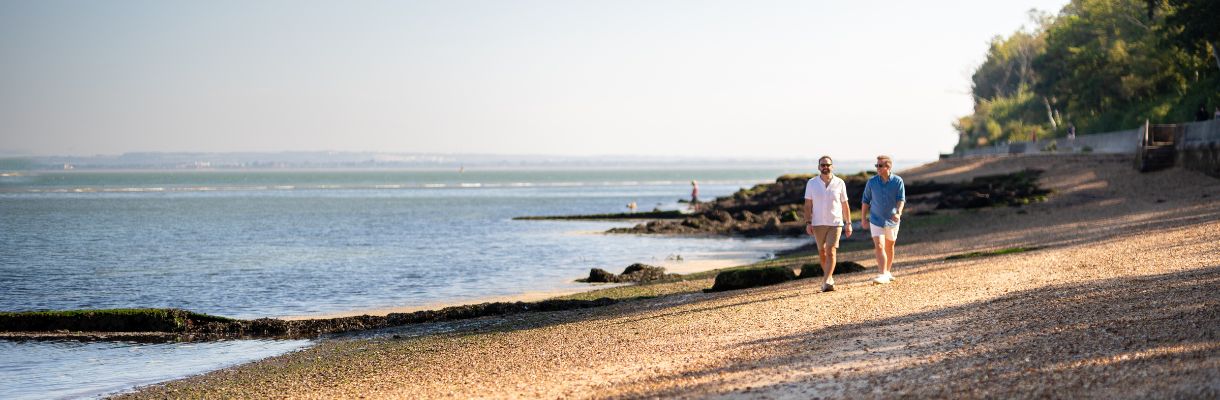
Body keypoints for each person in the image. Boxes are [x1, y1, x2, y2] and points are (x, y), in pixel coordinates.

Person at [803, 156, 852, 292]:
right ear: (819, 167)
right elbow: (808, 205)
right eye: (823, 165)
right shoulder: (812, 183)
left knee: (831, 250)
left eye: (828, 165)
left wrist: (848, 223)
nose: (825, 167)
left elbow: (845, 204)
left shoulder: (839, 182)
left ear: (832, 166)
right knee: (822, 252)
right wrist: (808, 222)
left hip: (835, 222)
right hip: (818, 223)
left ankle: (827, 280)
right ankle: (828, 278)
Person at [860, 155, 905, 284]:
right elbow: (865, 201)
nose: (877, 168)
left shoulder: (898, 181)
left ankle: (887, 271)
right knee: (879, 245)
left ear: (888, 167)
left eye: (880, 166)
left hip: (892, 221)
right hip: (875, 220)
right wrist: (863, 219)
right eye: (876, 165)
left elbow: (901, 199)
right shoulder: (872, 182)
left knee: (889, 246)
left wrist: (898, 212)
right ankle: (882, 273)